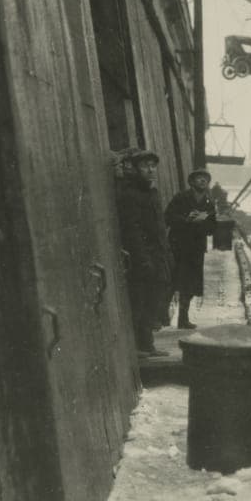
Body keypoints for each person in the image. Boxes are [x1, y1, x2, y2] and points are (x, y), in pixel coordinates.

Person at [114, 147, 172, 356]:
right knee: (139, 301)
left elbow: (159, 226)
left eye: (153, 166)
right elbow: (132, 230)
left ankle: (147, 345)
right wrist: (143, 259)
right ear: (135, 169)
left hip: (157, 255)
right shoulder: (130, 194)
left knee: (153, 300)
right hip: (142, 257)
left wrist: (165, 255)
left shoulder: (152, 192)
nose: (150, 170)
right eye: (145, 166)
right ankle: (137, 346)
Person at [164, 169, 217, 330]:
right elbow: (168, 217)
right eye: (199, 178)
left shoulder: (209, 202)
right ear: (192, 182)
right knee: (173, 281)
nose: (203, 181)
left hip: (196, 249)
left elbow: (212, 227)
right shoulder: (181, 197)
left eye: (205, 179)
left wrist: (204, 222)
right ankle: (161, 316)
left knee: (191, 284)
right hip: (179, 246)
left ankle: (183, 319)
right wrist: (186, 220)